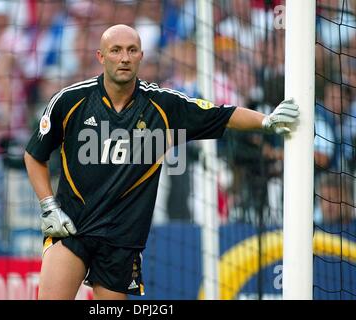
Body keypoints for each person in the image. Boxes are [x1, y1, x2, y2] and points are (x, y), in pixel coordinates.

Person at [23, 24, 299, 300]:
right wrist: (49, 206)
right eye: (116, 50)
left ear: (142, 56)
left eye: (132, 50)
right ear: (101, 56)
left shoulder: (164, 106)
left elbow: (222, 115)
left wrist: (266, 121)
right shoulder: (70, 101)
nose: (124, 57)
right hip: (72, 228)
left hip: (122, 241)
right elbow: (34, 154)